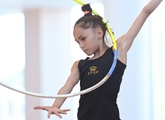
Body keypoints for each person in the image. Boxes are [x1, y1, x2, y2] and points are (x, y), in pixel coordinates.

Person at [34, 0, 162, 120]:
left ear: (99, 33)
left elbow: (146, 11)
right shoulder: (79, 65)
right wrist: (56, 106)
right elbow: (68, 86)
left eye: (83, 38)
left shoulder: (117, 53)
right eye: (77, 41)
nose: (81, 45)